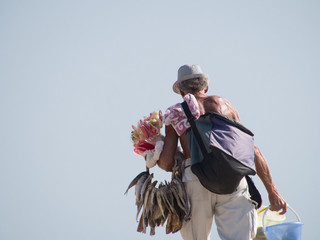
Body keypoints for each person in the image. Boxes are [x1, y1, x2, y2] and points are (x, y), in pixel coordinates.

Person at [157, 64, 287, 240]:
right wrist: (273, 192)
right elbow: (251, 149)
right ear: (206, 87)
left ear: (181, 91)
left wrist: (154, 146)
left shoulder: (175, 113)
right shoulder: (225, 105)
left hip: (195, 178)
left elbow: (166, 162)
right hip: (231, 176)